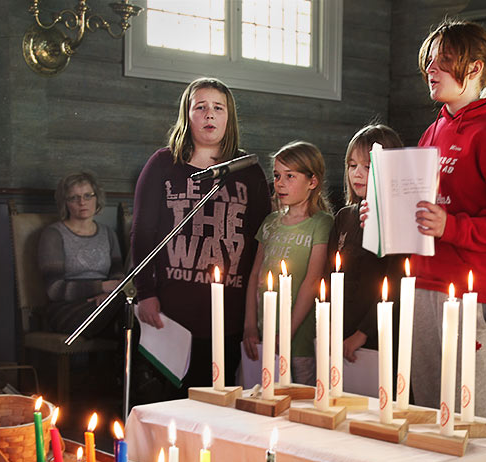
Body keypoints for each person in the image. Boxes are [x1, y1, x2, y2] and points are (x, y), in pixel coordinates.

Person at [406, 19, 486, 417]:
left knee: (468, 416)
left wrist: (452, 226)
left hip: (474, 289)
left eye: (444, 61)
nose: (431, 69)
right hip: (425, 281)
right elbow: (424, 205)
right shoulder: (434, 129)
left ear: (476, 68)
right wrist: (381, 216)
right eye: (430, 61)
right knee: (428, 414)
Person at [131, 78, 271, 391]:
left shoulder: (247, 169)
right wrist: (145, 293)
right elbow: (142, 234)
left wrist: (253, 314)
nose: (209, 114)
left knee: (218, 404)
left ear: (228, 117)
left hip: (229, 316)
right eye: (201, 107)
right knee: (167, 404)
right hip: (170, 315)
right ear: (188, 115)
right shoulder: (163, 165)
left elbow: (261, 243)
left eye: (218, 108)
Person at [243, 141, 333, 385]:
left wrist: (286, 333)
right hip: (261, 337)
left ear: (312, 182)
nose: (280, 183)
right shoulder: (271, 221)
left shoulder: (321, 223)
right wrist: (250, 325)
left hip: (298, 341)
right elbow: (255, 275)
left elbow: (312, 280)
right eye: (277, 175)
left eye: (290, 176)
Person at [327, 124, 404, 365]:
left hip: (378, 338)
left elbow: (395, 282)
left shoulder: (398, 219)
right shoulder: (344, 217)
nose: (357, 174)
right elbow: (330, 274)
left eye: (368, 167)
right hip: (338, 331)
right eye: (352, 165)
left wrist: (362, 334)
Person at [38, 171, 124, 338]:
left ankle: (127, 362)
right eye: (74, 198)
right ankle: (126, 362)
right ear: (65, 203)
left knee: (132, 307)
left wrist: (107, 294)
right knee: (126, 309)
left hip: (106, 301)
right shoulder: (53, 234)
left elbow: (118, 273)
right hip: (66, 309)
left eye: (87, 196)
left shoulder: (108, 233)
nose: (82, 202)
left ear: (97, 198)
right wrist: (101, 287)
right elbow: (54, 289)